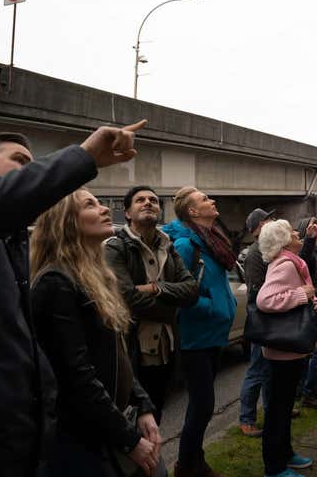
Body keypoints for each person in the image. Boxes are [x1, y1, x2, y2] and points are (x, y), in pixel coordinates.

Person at [0, 120, 144, 476]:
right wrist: (83, 157)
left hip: (16, 449)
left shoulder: (8, 244)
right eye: (21, 162)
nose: (34, 175)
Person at [31, 189, 163, 477]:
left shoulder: (96, 275)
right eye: (90, 205)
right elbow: (76, 377)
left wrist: (142, 404)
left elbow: (119, 353)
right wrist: (128, 439)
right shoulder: (56, 282)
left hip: (105, 426)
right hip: (80, 440)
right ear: (64, 222)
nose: (105, 209)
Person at [105, 186, 199, 424]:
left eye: (153, 200)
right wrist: (170, 307)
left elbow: (191, 291)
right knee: (131, 417)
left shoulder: (168, 246)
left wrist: (157, 288)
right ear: (127, 212)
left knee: (155, 415)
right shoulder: (116, 247)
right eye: (140, 200)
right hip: (131, 347)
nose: (148, 203)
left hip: (165, 349)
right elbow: (126, 297)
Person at [162, 187, 237, 477]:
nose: (213, 201)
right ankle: (184, 466)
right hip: (196, 336)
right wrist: (213, 306)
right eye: (205, 199)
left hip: (213, 333)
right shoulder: (185, 246)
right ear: (193, 211)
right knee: (202, 405)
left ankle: (196, 461)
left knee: (202, 406)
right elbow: (180, 294)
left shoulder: (211, 238)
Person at [255, 220, 317, 477]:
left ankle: (285, 454)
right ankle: (274, 467)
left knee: (283, 407)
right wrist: (303, 296)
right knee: (277, 409)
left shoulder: (292, 262)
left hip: (290, 350)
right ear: (284, 241)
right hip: (283, 353)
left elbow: (303, 293)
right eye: (293, 232)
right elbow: (266, 300)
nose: (298, 234)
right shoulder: (285, 265)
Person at [237, 207, 276, 437]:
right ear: (260, 226)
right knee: (257, 370)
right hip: (261, 320)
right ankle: (247, 419)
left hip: (269, 319)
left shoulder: (268, 249)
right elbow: (256, 293)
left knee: (269, 371)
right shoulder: (255, 254)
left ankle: (271, 410)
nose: (272, 222)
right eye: (268, 220)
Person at [295, 217, 317, 410]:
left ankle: (311, 389)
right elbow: (304, 261)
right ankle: (307, 392)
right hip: (314, 306)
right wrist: (309, 238)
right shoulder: (307, 250)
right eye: (314, 223)